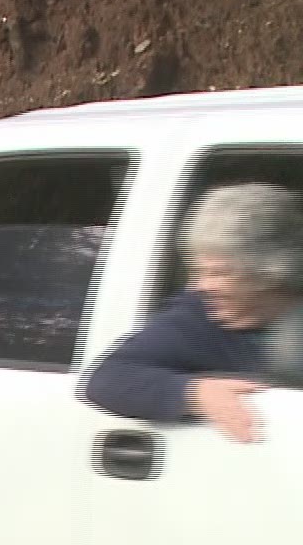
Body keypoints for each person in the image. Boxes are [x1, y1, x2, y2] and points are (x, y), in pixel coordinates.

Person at [82, 182, 303, 443]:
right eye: (198, 270)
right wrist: (193, 392)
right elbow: (108, 379)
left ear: (269, 274)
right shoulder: (198, 319)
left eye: (218, 272)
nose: (201, 285)